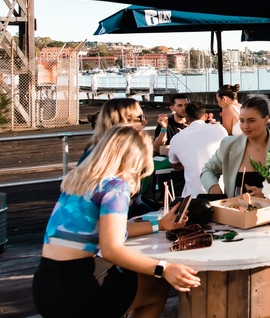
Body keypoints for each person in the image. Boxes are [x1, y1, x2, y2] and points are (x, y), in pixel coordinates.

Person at [32, 125, 200, 318]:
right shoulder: (115, 185)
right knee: (156, 286)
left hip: (46, 285)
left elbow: (112, 229)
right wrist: (165, 268)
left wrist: (159, 225)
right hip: (77, 289)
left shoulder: (78, 179)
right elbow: (112, 249)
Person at [201, 96, 270, 197]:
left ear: (266, 119)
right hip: (235, 211)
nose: (245, 126)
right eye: (242, 121)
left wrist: (267, 193)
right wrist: (214, 188)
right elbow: (207, 170)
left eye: (251, 120)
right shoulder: (229, 145)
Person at [168, 101, 228, 197]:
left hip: (192, 196)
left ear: (186, 118)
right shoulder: (220, 129)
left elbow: (173, 163)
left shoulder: (176, 138)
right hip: (220, 190)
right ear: (204, 116)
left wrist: (190, 165)